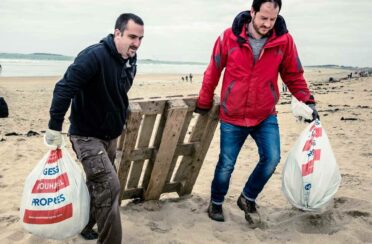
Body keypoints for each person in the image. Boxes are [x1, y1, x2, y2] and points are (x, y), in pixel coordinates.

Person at [195, 0, 318, 223]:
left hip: (264, 114)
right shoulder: (228, 37)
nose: (268, 24)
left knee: (271, 159)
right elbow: (213, 70)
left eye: (272, 19)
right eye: (263, 18)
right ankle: (216, 202)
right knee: (226, 164)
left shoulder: (284, 41)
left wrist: (307, 101)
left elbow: (293, 74)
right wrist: (204, 102)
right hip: (232, 115)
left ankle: (247, 197)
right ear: (252, 12)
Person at [45, 13, 144, 243]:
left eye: (140, 38)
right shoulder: (94, 56)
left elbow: (117, 93)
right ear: (117, 33)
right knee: (110, 186)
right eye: (131, 37)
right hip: (86, 135)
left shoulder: (130, 59)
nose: (136, 43)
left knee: (97, 185)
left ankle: (85, 225)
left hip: (110, 135)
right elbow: (64, 88)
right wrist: (54, 127)